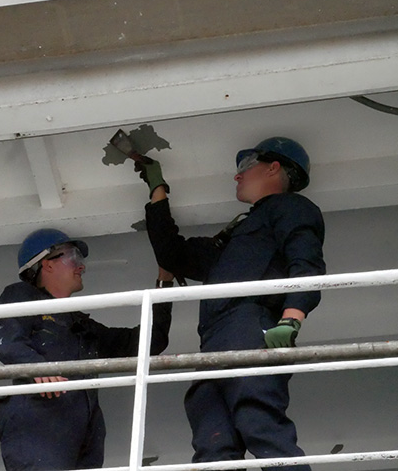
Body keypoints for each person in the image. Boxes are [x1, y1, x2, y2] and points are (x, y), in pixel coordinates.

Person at [137, 137, 325, 470]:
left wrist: (292, 317)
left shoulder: (291, 207)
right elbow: (173, 254)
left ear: (273, 167)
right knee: (213, 440)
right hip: (213, 339)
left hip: (250, 324)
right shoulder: (236, 236)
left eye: (245, 167)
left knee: (260, 423)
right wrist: (158, 188)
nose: (237, 176)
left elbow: (306, 261)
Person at [0, 228, 172, 470]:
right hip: (39, 419)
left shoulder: (81, 326)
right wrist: (37, 367)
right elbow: (7, 338)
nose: (81, 267)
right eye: (73, 257)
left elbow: (149, 342)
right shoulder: (22, 296)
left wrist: (165, 284)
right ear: (47, 264)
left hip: (86, 428)